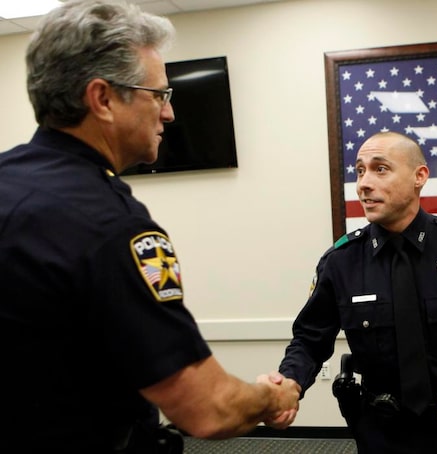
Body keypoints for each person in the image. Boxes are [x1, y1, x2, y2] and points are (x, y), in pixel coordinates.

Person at [0, 1, 299, 452]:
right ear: (102, 99)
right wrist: (272, 396)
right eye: (158, 94)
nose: (169, 114)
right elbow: (208, 408)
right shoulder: (107, 224)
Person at [276, 131, 437, 453]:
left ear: (419, 176)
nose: (363, 184)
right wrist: (290, 383)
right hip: (381, 430)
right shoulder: (341, 261)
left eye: (380, 169)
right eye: (359, 171)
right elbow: (310, 339)